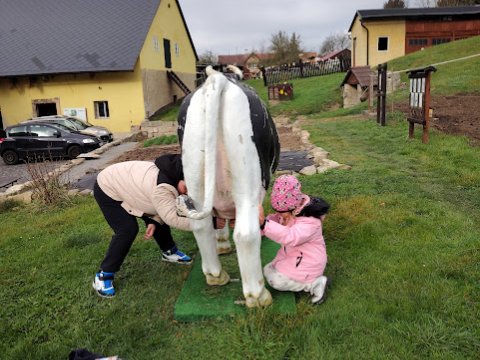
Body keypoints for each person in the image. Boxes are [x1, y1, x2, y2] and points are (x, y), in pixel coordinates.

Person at [92, 154, 193, 298]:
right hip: (108, 188)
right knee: (127, 230)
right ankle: (104, 275)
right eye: (186, 187)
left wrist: (154, 221)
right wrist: (208, 224)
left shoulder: (173, 174)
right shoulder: (163, 187)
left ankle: (169, 252)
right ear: (179, 178)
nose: (188, 192)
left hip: (131, 186)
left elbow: (160, 208)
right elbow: (171, 217)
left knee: (159, 217)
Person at [260, 174, 330, 305]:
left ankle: (315, 284)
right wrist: (258, 226)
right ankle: (301, 279)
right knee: (267, 269)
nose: (279, 215)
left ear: (293, 207)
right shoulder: (289, 212)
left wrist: (265, 225)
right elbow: (275, 220)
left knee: (276, 281)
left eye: (282, 212)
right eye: (277, 211)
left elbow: (291, 236)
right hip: (293, 257)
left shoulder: (310, 223)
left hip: (309, 263)